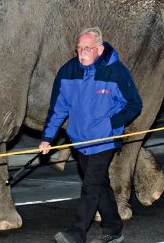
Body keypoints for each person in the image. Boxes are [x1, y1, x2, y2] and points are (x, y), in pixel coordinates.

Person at [39, 27, 142, 243]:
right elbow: (58, 109)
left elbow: (134, 104)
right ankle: (114, 229)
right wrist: (47, 138)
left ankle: (76, 234)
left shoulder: (116, 72)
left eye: (88, 48)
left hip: (104, 141)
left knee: (91, 186)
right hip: (79, 140)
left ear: (100, 49)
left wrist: (111, 124)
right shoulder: (68, 72)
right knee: (100, 185)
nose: (82, 52)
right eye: (79, 48)